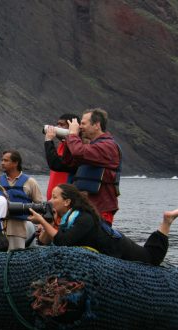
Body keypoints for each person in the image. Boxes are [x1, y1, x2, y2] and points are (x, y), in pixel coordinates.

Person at [29, 183, 178, 266]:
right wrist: (48, 221)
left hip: (120, 248)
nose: (49, 201)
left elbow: (63, 241)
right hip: (110, 250)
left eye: (54, 197)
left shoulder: (83, 217)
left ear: (67, 202)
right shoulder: (68, 218)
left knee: (152, 259)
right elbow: (43, 242)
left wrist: (42, 221)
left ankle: (167, 221)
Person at [62, 108, 121, 225]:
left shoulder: (107, 146)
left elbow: (78, 152)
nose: (80, 127)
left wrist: (73, 135)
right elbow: (68, 162)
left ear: (97, 125)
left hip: (101, 208)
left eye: (83, 123)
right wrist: (68, 139)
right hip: (87, 207)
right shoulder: (91, 146)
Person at [0, 150, 44, 250]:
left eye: (6, 160)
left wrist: (40, 223)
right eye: (2, 160)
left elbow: (40, 205)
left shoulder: (30, 182)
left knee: (16, 254)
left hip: (20, 226)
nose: (2, 163)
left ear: (15, 163)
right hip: (0, 226)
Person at [44, 113, 79, 200]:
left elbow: (55, 164)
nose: (57, 128)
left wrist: (48, 141)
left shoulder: (74, 148)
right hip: (54, 202)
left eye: (62, 125)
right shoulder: (62, 145)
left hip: (65, 202)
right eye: (58, 124)